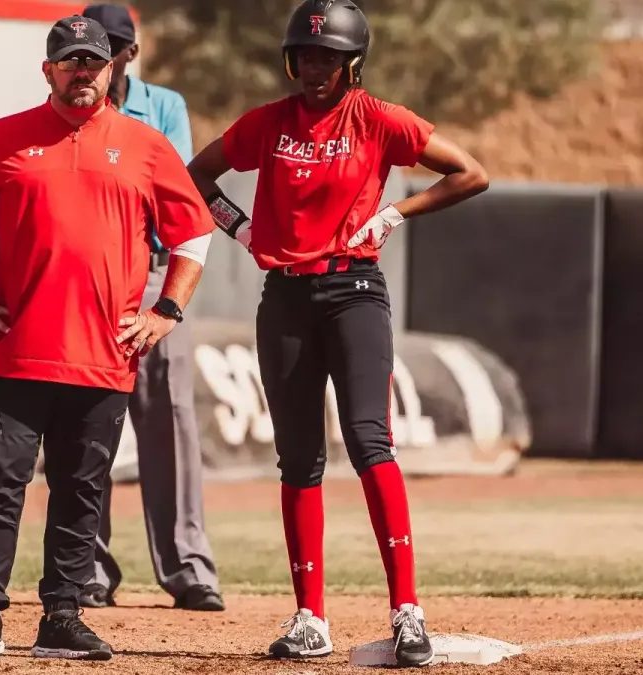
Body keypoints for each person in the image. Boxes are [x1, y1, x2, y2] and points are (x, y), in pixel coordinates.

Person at [186, 0, 488, 667]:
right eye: (307, 56)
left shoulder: (378, 119)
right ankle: (309, 619)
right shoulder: (268, 123)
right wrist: (238, 227)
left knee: (368, 439)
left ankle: (408, 611)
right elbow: (195, 174)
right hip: (284, 299)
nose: (316, 68)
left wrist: (394, 216)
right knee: (298, 459)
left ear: (353, 65)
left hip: (354, 292)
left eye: (330, 57)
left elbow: (471, 172)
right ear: (292, 60)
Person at [0, 14, 216, 662]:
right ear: (49, 70)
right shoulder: (4, 138)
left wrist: (166, 307)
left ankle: (63, 612)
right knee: (0, 486)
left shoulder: (143, 144)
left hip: (105, 355)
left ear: (112, 69)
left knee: (82, 489)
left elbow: (194, 231)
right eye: (71, 61)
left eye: (94, 61)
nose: (83, 71)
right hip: (17, 351)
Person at [77, 2, 225, 613]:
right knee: (87, 422)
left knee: (170, 419)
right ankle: (86, 567)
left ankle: (188, 568)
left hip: (155, 270)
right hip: (92, 276)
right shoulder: (74, 110)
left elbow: (176, 191)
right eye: (84, 47)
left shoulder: (162, 108)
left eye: (107, 45)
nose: (94, 56)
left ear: (128, 54)